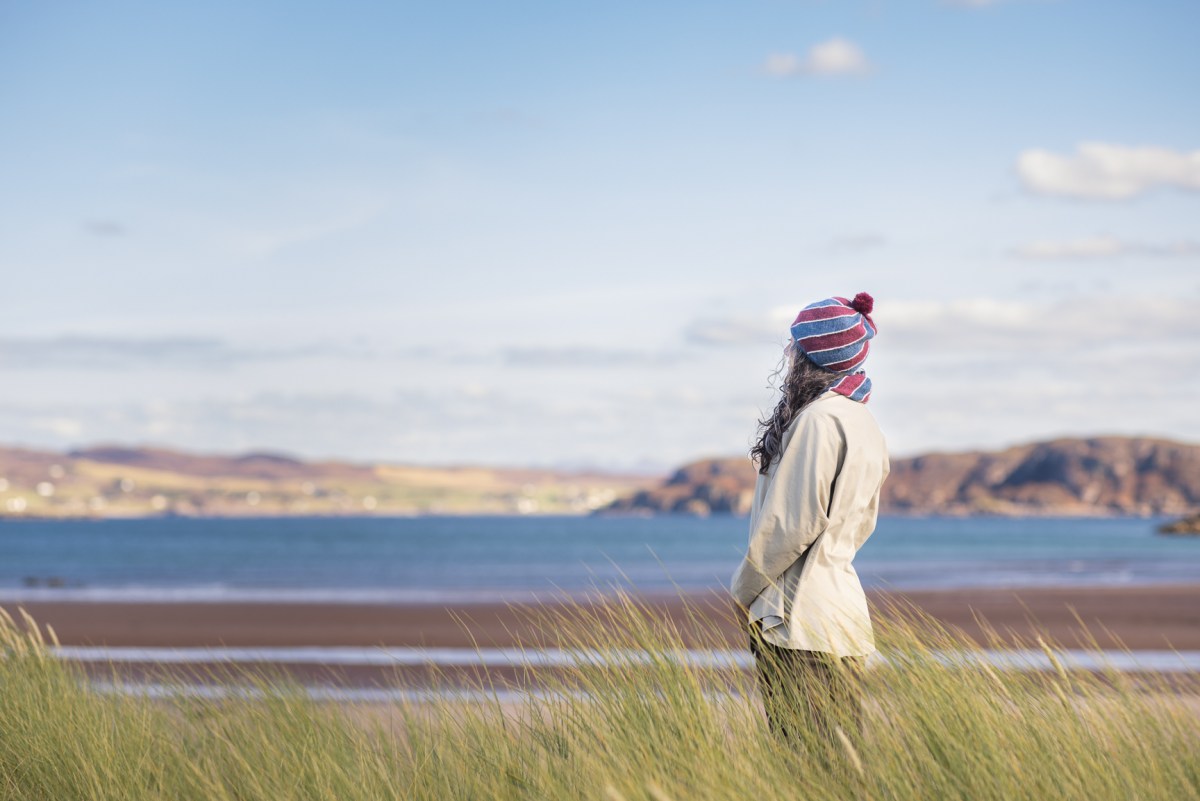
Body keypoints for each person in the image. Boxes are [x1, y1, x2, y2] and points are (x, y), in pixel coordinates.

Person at [729, 292, 890, 749]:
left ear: (815, 355)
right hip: (842, 616)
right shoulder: (864, 421)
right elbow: (858, 527)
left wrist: (741, 594)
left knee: (807, 763)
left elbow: (789, 527)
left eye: (795, 345)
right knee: (838, 761)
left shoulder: (818, 420)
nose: (787, 354)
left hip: (798, 621)